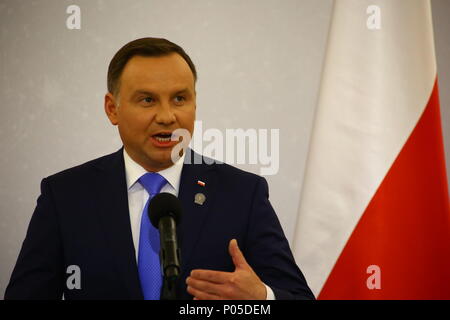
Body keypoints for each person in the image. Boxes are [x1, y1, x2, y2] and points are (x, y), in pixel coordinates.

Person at [5, 38, 314, 300]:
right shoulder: (66, 196)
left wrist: (261, 298)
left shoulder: (242, 193)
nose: (167, 116)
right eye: (148, 100)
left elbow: (297, 295)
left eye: (180, 98)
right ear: (113, 109)